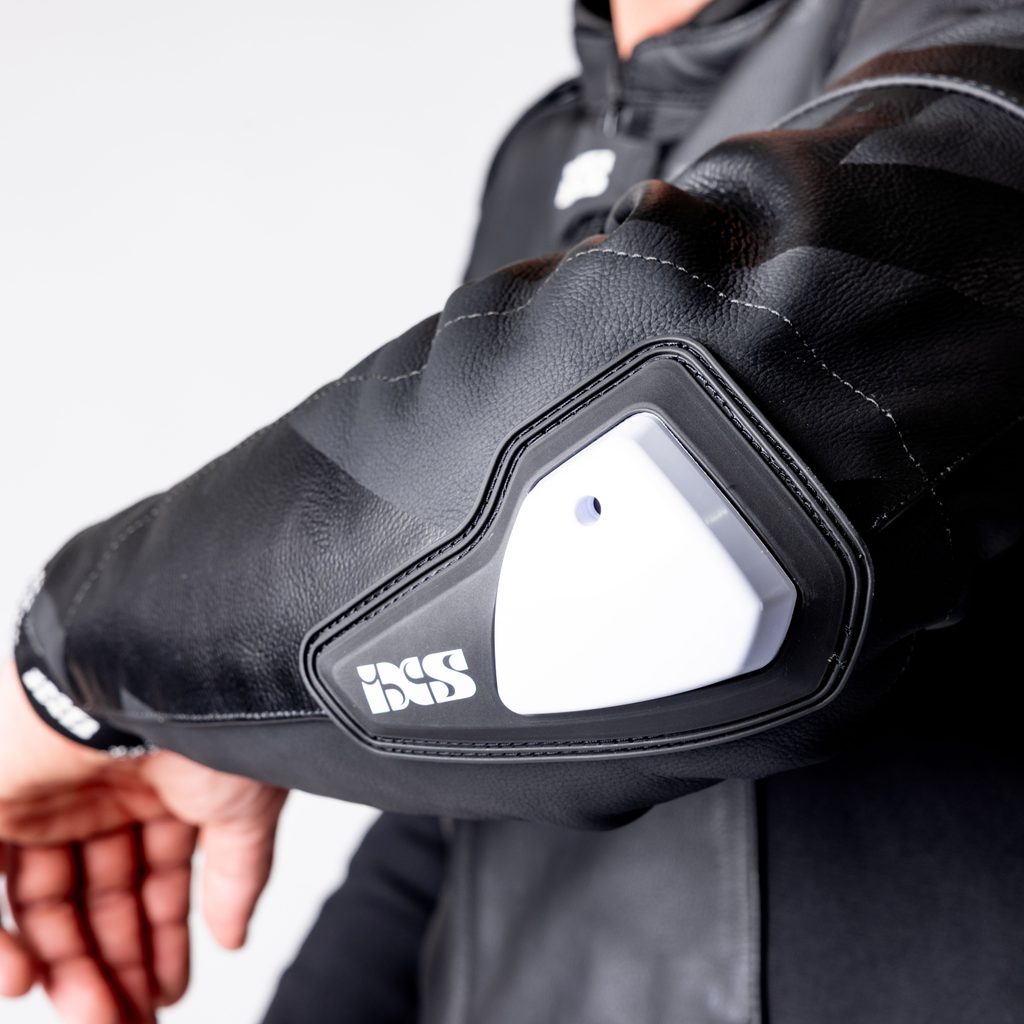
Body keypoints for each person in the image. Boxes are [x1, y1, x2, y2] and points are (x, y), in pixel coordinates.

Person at [3, 0, 1024, 1021]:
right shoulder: (549, 150)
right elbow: (496, 764)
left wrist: (77, 666)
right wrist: (259, 735)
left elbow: (676, 467)